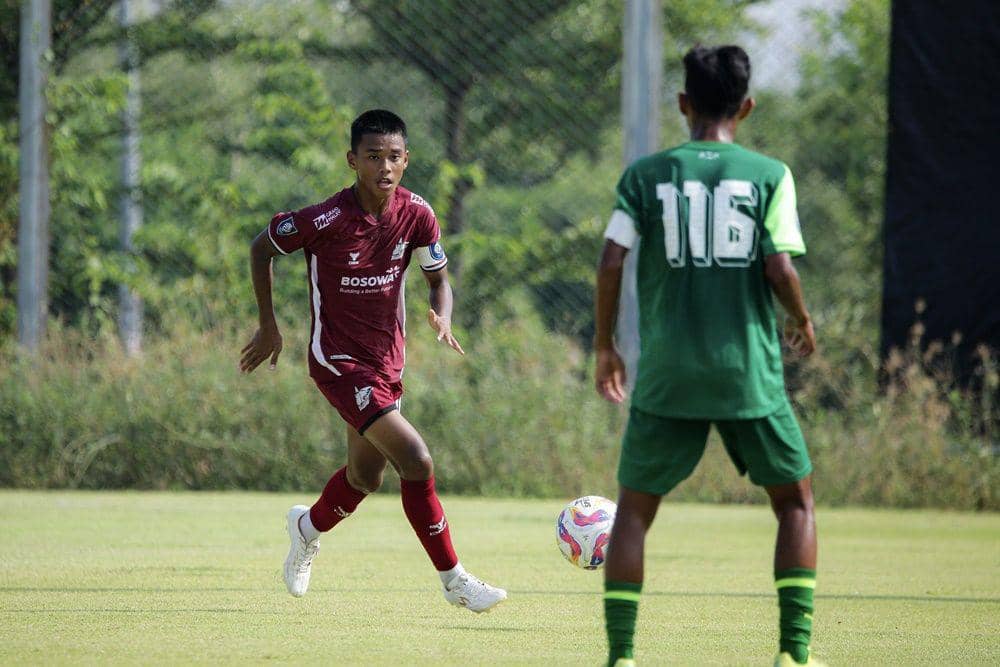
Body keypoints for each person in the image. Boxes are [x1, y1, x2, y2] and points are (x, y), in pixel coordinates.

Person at [593, 46, 823, 667]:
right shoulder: (770, 175)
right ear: (746, 107)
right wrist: (800, 318)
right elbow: (779, 265)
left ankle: (622, 656)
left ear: (683, 105)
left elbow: (612, 259)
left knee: (635, 514)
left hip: (668, 372)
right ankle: (793, 655)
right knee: (795, 502)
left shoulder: (645, 177)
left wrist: (604, 344)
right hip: (746, 370)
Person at [239, 109, 506, 614]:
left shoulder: (418, 214)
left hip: (387, 364)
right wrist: (269, 324)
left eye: (394, 157)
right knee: (417, 460)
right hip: (337, 360)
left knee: (364, 479)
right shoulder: (327, 220)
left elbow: (438, 279)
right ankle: (455, 582)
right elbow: (262, 247)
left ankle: (305, 529)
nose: (384, 166)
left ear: (406, 161)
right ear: (353, 161)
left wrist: (443, 317)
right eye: (373, 156)